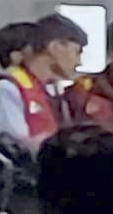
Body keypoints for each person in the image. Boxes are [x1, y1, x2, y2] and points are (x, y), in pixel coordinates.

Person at [0, 13, 84, 143]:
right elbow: (15, 146)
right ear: (55, 47)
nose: (79, 62)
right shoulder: (9, 88)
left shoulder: (54, 92)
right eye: (77, 52)